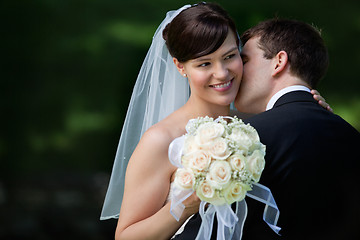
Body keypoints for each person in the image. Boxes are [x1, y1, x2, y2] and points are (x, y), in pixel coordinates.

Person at [101, 3, 333, 239]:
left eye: (230, 56)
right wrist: (185, 206)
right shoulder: (161, 140)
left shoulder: (259, 127)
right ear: (180, 67)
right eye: (204, 63)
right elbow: (126, 235)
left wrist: (314, 115)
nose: (221, 73)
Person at [176, 17, 360, 239]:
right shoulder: (351, 136)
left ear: (278, 62)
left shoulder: (245, 140)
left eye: (244, 60)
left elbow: (206, 233)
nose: (236, 72)